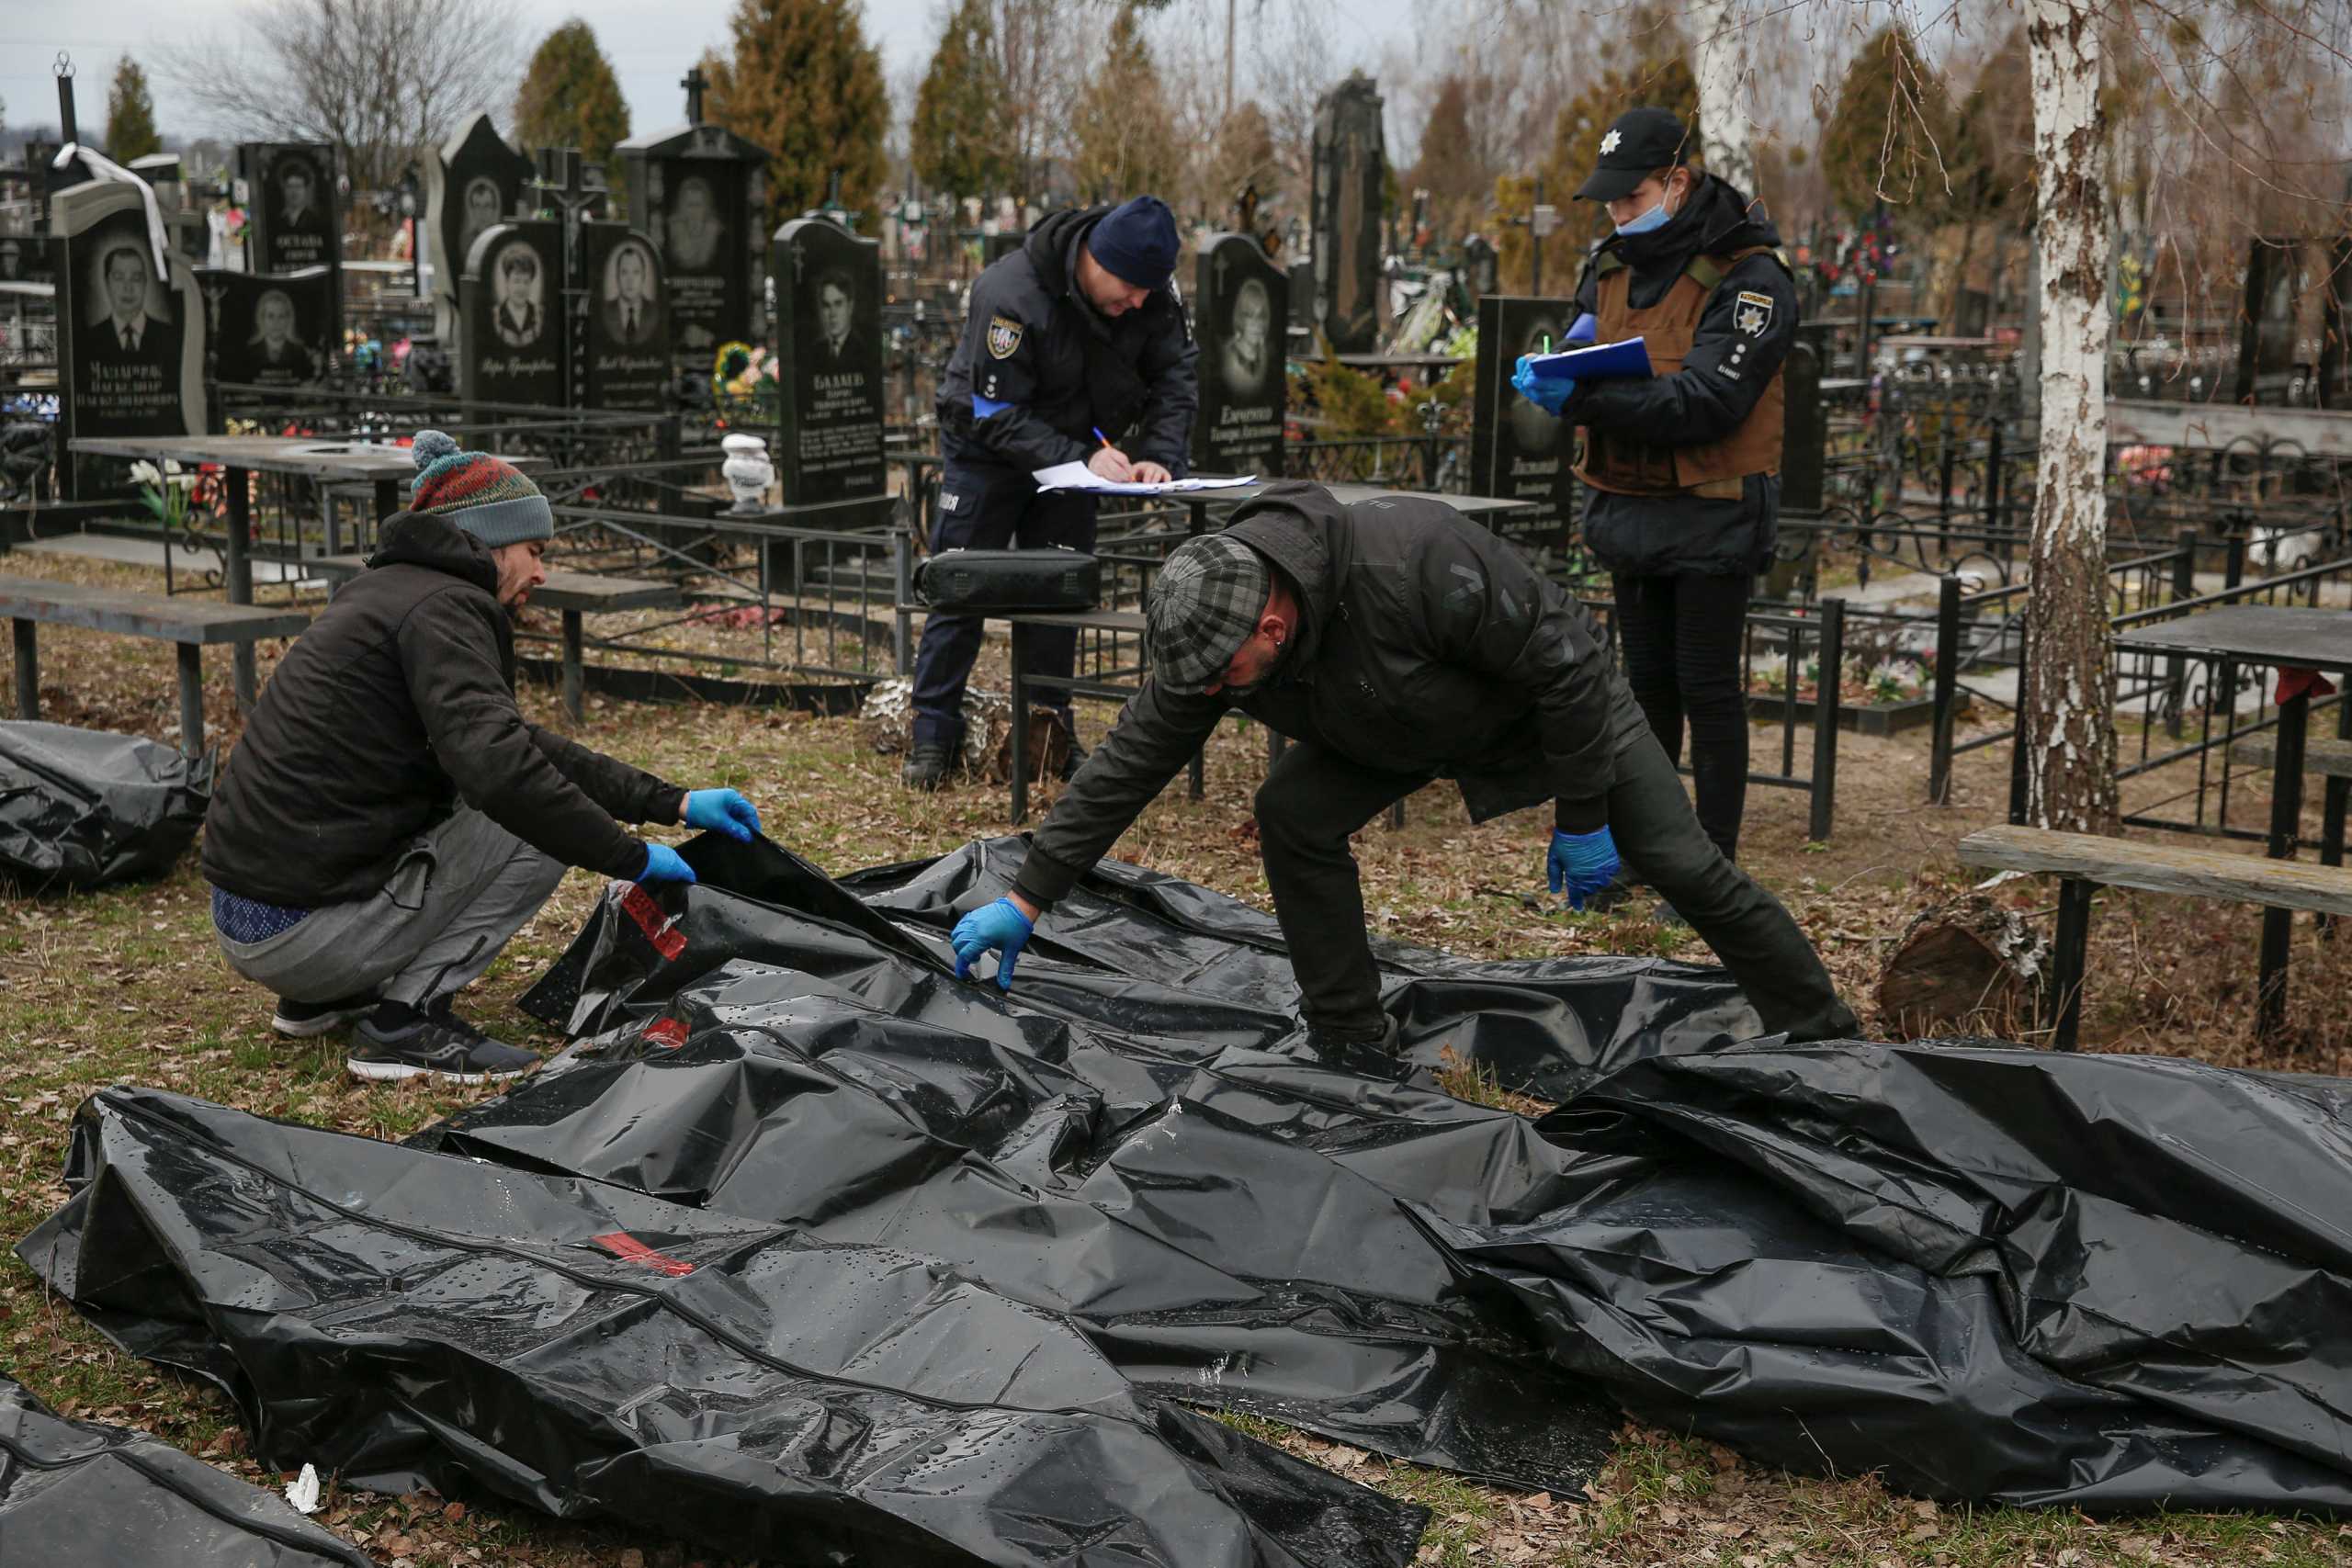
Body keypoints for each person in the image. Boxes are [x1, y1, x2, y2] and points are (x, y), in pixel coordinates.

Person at [945, 481, 1859, 1058]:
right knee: (1292, 811)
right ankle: (1348, 1031)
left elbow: (1567, 666)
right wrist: (1027, 897)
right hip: (1398, 724)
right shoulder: (1220, 637)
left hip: (1557, 709)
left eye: (1224, 678)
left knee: (1682, 860)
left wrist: (1582, 815)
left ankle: (1824, 1032)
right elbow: (1128, 762)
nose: (1212, 694)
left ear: (1273, 629)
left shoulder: (1417, 559)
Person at [202, 431, 763, 1085]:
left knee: (519, 791)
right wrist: (632, 857)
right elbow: (507, 773)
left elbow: (515, 743)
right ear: (489, 541)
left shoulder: (390, 592)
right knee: (533, 827)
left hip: (255, 916)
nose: (542, 572)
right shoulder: (446, 607)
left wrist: (672, 801)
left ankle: (326, 997)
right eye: (535, 550)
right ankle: (404, 1021)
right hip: (298, 932)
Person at [1514, 107, 1796, 901]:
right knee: (1644, 689)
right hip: (1629, 505)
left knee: (1705, 685)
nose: (1617, 214)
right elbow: (1579, 342)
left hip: (1713, 511)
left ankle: (1714, 864)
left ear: (1677, 181)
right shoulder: (1611, 263)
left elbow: (1711, 399)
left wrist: (1585, 401)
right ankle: (1650, 846)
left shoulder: (1750, 274)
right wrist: (1553, 369)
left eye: (1631, 198)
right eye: (1608, 201)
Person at [908, 194, 1198, 791]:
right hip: (987, 449)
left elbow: (1175, 376)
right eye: (1130, 287)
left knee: (1060, 593)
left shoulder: (1150, 297)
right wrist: (1080, 456)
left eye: (1149, 290)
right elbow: (995, 411)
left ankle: (1049, 737)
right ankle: (932, 733)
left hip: (1074, 458)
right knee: (960, 584)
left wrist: (1160, 457)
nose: (1139, 302)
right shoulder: (1010, 294)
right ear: (1096, 258)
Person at [602, 241, 659, 345]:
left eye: (636, 272)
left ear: (643, 277)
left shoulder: (655, 313)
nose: (630, 280)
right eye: (624, 272)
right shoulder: (605, 312)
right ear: (617, 277)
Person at [492, 244, 542, 346]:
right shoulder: (496, 316)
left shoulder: (538, 315)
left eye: (526, 282)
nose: (521, 288)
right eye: (517, 281)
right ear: (507, 282)